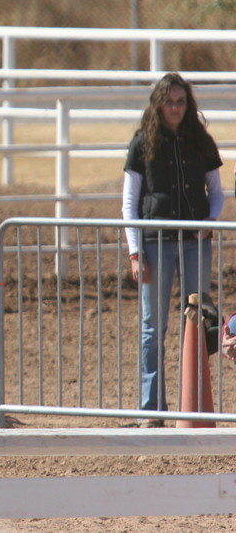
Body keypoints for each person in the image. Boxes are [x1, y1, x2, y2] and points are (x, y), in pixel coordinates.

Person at [122, 72, 223, 427]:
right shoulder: (141, 143)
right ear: (159, 104)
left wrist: (207, 223)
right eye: (170, 101)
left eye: (181, 102)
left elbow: (217, 191)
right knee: (154, 325)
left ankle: (193, 403)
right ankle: (151, 409)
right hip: (154, 244)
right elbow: (129, 202)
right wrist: (135, 251)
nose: (176, 108)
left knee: (198, 321)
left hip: (195, 242)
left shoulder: (200, 141)